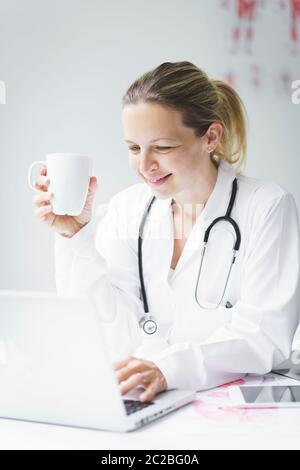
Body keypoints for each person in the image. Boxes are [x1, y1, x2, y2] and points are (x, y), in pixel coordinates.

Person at [32, 61, 300, 403]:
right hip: (150, 401)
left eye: (162, 147)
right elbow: (108, 333)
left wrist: (170, 369)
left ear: (210, 137)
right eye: (133, 148)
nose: (144, 166)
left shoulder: (267, 206)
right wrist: (74, 236)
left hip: (236, 413)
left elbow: (264, 336)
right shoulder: (127, 209)